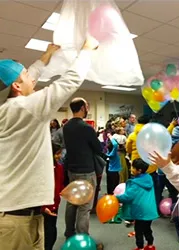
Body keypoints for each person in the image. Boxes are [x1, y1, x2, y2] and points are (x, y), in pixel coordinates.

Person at [0, 38, 97, 250]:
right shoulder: (24, 108)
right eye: (26, 75)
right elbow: (68, 82)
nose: (32, 80)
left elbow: (29, 77)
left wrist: (47, 55)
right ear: (17, 86)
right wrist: (86, 50)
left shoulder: (9, 107)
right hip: (16, 218)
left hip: (22, 210)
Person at [63, 98, 104, 242]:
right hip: (86, 170)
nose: (88, 109)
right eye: (87, 106)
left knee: (72, 202)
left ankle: (69, 233)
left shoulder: (66, 127)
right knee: (84, 206)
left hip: (71, 170)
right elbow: (98, 149)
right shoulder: (86, 128)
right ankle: (83, 238)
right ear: (81, 108)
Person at [116, 158, 158, 250]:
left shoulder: (135, 184)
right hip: (150, 211)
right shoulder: (148, 178)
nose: (131, 169)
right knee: (147, 229)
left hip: (141, 212)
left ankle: (140, 248)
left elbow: (127, 197)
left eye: (133, 168)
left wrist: (115, 198)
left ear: (139, 170)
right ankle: (150, 245)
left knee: (138, 231)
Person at [42, 143, 64, 250]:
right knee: (47, 233)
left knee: (52, 232)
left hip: (55, 204)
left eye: (60, 153)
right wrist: (43, 207)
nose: (59, 156)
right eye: (57, 153)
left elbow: (60, 184)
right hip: (45, 206)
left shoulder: (59, 167)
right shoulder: (44, 169)